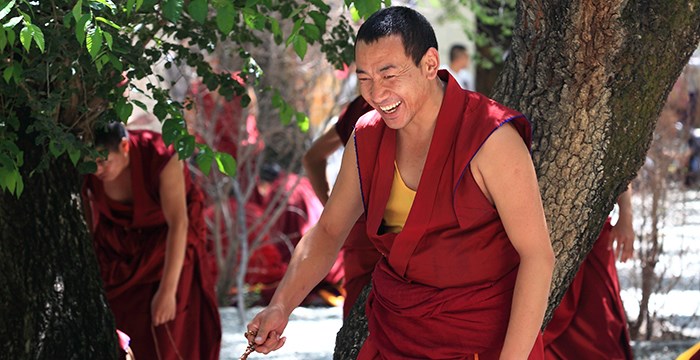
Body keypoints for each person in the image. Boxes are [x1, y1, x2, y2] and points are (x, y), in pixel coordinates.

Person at [247, 6, 554, 359]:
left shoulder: (489, 138)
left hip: (480, 339)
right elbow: (329, 232)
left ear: (428, 64)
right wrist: (280, 306)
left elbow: (537, 257)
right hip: (397, 334)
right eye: (365, 79)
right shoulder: (367, 137)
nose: (376, 94)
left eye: (388, 75)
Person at [82, 121, 221, 360]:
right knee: (121, 329)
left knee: (169, 333)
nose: (97, 170)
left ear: (124, 146)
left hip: (167, 248)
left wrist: (168, 291)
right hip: (118, 251)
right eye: (92, 163)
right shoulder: (87, 167)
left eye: (104, 161)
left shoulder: (160, 155)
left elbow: (179, 224)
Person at [302, 95, 381, 317]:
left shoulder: (365, 105)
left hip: (361, 231)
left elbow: (312, 158)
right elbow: (312, 158)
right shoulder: (369, 108)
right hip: (376, 236)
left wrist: (333, 209)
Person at [543, 186, 635, 360]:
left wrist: (626, 215)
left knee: (600, 330)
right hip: (542, 236)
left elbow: (623, 162)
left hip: (592, 235)